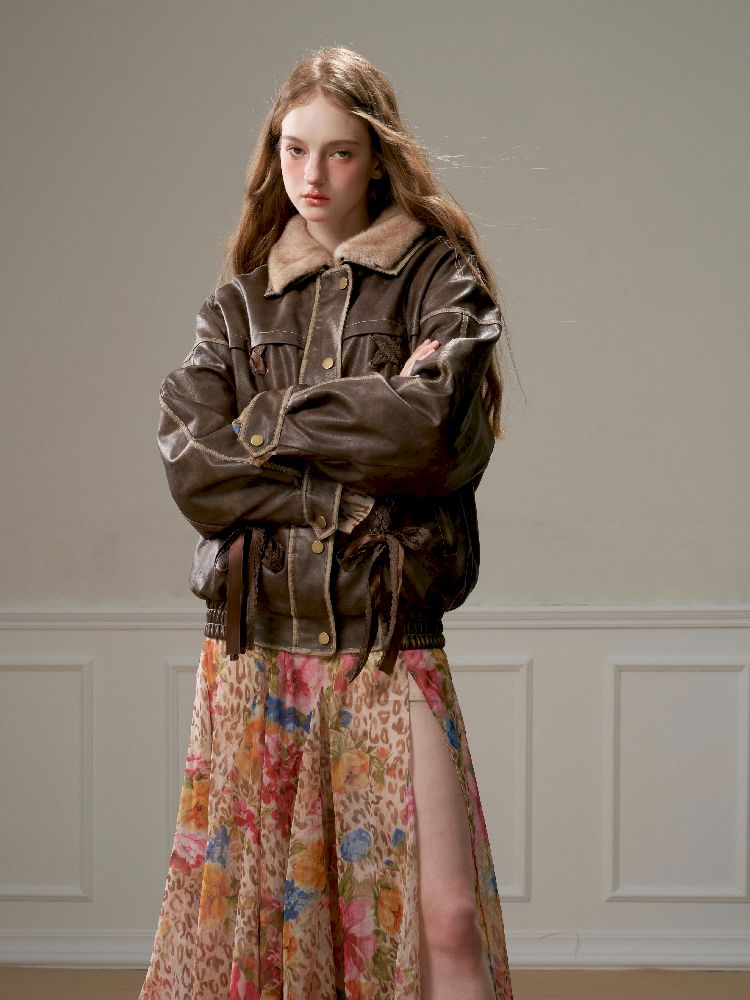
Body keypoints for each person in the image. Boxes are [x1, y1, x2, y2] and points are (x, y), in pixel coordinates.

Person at [140, 45, 514, 1000]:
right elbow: (196, 472)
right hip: (255, 645)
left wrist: (265, 419)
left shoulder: (440, 282)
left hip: (386, 640)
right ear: (275, 154)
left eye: (340, 152)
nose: (313, 175)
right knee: (267, 941)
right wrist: (348, 475)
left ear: (378, 159)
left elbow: (430, 435)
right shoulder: (235, 309)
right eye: (295, 149)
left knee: (447, 919)